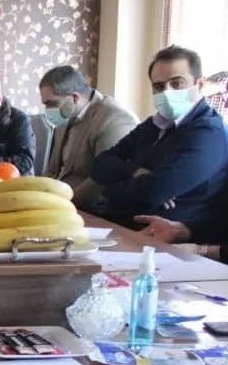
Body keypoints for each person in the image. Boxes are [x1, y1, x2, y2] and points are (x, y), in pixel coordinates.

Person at [91, 45, 228, 228]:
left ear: (200, 84)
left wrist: (108, 189)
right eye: (159, 86)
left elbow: (154, 192)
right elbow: (99, 165)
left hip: (162, 237)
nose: (167, 92)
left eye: (177, 83)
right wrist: (135, 171)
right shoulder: (154, 124)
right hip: (119, 223)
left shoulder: (209, 133)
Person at [39, 65, 138, 211]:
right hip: (58, 203)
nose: (48, 110)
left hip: (91, 208)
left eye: (52, 104)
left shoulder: (113, 119)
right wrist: (37, 196)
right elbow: (52, 170)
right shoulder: (65, 115)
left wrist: (62, 204)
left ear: (74, 98)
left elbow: (102, 181)